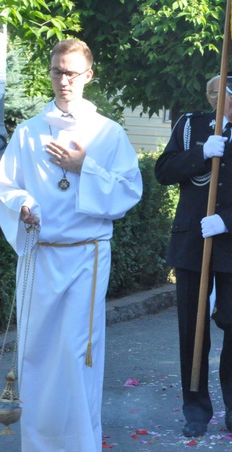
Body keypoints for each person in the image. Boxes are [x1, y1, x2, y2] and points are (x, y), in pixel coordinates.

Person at [0, 38, 143, 450]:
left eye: (73, 73)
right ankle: (40, 444)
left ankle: (80, 443)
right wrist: (23, 204)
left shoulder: (107, 133)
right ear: (51, 74)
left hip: (86, 256)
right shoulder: (28, 133)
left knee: (79, 353)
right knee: (38, 354)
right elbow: (6, 185)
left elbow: (129, 190)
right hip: (41, 257)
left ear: (88, 76)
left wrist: (85, 167)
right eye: (58, 72)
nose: (65, 81)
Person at [154, 69, 232, 437]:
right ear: (221, 96)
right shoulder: (192, 126)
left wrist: (227, 221)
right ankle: (195, 407)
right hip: (193, 243)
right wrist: (200, 153)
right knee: (193, 329)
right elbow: (163, 171)